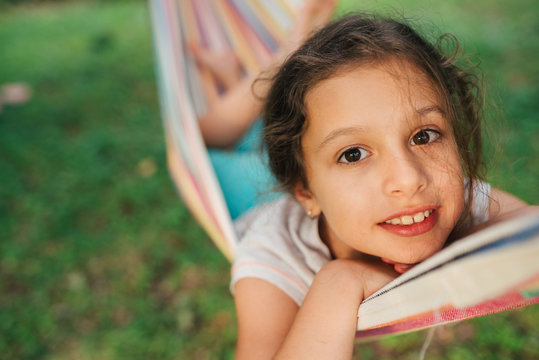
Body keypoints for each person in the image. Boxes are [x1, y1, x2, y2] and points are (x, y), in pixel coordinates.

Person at [227, 13, 535, 359]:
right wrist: (340, 281)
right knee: (218, 142)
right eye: (353, 154)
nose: (409, 179)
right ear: (306, 193)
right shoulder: (274, 258)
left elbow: (529, 238)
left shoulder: (448, 195)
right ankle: (262, 64)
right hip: (241, 191)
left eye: (424, 136)